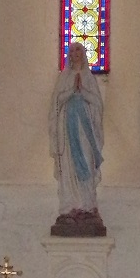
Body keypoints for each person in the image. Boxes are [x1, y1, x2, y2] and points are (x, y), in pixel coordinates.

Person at [49, 42, 104, 224]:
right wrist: (72, 91)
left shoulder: (89, 78)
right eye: (72, 50)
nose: (75, 53)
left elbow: (97, 104)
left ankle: (87, 206)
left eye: (78, 49)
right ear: (69, 56)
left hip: (85, 130)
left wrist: (83, 92)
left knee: (87, 162)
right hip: (68, 129)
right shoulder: (64, 78)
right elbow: (56, 103)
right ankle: (70, 206)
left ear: (84, 53)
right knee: (69, 165)